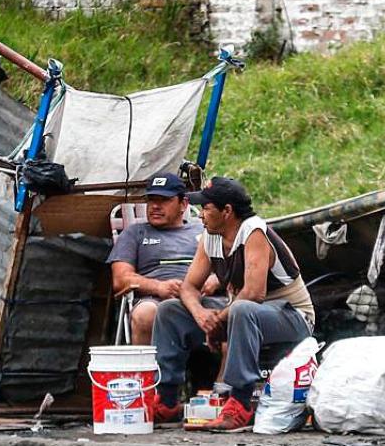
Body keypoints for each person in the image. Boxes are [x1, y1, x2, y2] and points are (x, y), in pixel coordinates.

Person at [151, 176, 315, 431]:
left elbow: (254, 294)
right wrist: (201, 314)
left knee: (242, 308)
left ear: (227, 211)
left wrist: (218, 319)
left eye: (206, 208)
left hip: (292, 317)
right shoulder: (211, 236)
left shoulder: (254, 232)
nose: (200, 214)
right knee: (169, 310)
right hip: (242, 314)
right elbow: (189, 287)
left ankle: (240, 402)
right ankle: (167, 399)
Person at [106, 172, 211, 345]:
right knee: (144, 314)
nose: (155, 206)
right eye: (151, 200)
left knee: (235, 312)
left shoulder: (203, 232)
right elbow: (120, 279)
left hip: (202, 297)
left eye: (164, 200)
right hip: (155, 300)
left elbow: (229, 267)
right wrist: (159, 287)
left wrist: (215, 280)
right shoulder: (134, 233)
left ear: (183, 204)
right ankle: (148, 364)